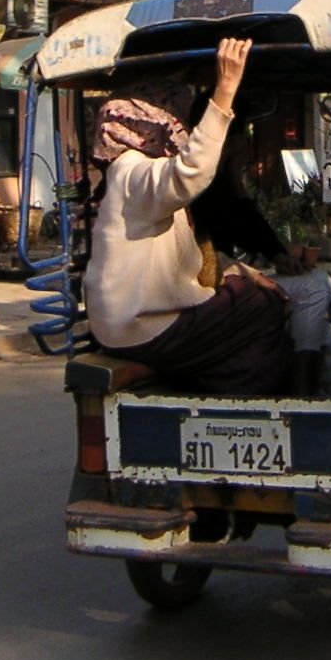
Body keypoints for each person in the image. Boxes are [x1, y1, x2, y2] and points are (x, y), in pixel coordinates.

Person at [82, 38, 295, 395]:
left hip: (128, 322)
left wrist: (249, 273)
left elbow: (194, 257)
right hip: (141, 327)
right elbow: (191, 171)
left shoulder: (135, 178)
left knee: (245, 294)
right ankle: (242, 397)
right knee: (263, 307)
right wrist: (224, 93)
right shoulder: (134, 172)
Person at [190, 121, 331, 393]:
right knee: (314, 286)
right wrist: (255, 273)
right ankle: (303, 388)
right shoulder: (198, 187)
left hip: (219, 280)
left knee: (319, 281)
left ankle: (306, 380)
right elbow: (206, 256)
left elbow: (246, 228)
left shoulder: (218, 186)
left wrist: (278, 255)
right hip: (207, 289)